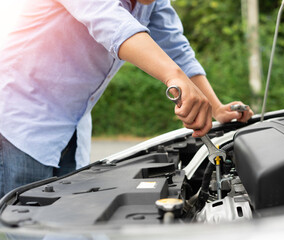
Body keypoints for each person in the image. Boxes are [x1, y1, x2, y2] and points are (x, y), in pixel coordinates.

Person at [0, 0, 253, 198]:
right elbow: (112, 23)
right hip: (21, 120)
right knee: (29, 227)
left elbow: (177, 48)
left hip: (70, 124)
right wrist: (173, 76)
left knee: (66, 221)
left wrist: (216, 107)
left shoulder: (151, 2)